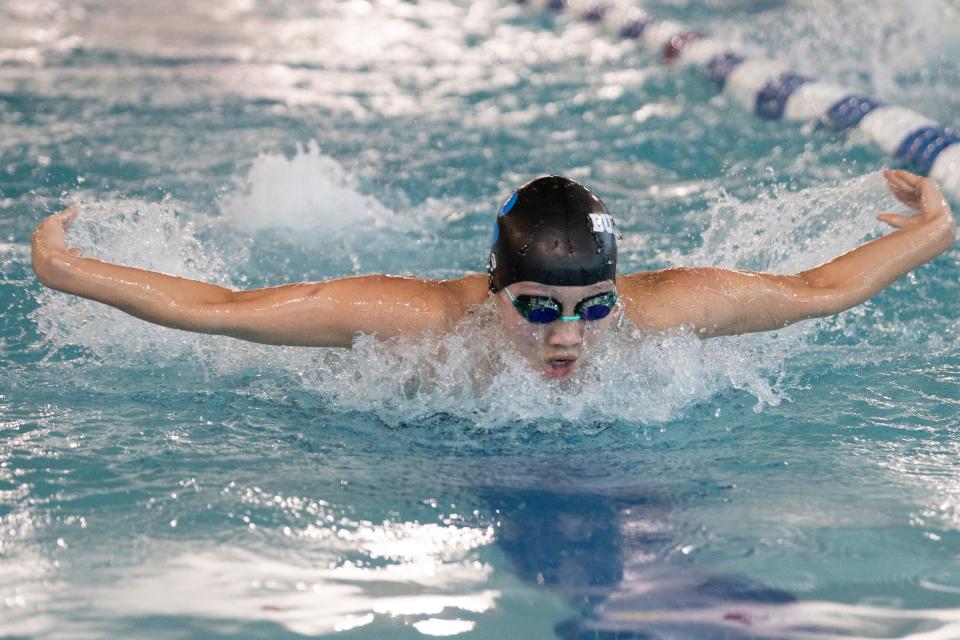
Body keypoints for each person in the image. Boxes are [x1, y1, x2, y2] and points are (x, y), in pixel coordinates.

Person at [31, 170, 955, 381]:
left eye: (593, 308)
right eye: (538, 308)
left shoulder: (665, 312)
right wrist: (69, 272)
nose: (567, 335)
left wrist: (937, 230)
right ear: (491, 288)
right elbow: (225, 311)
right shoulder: (420, 323)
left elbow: (820, 291)